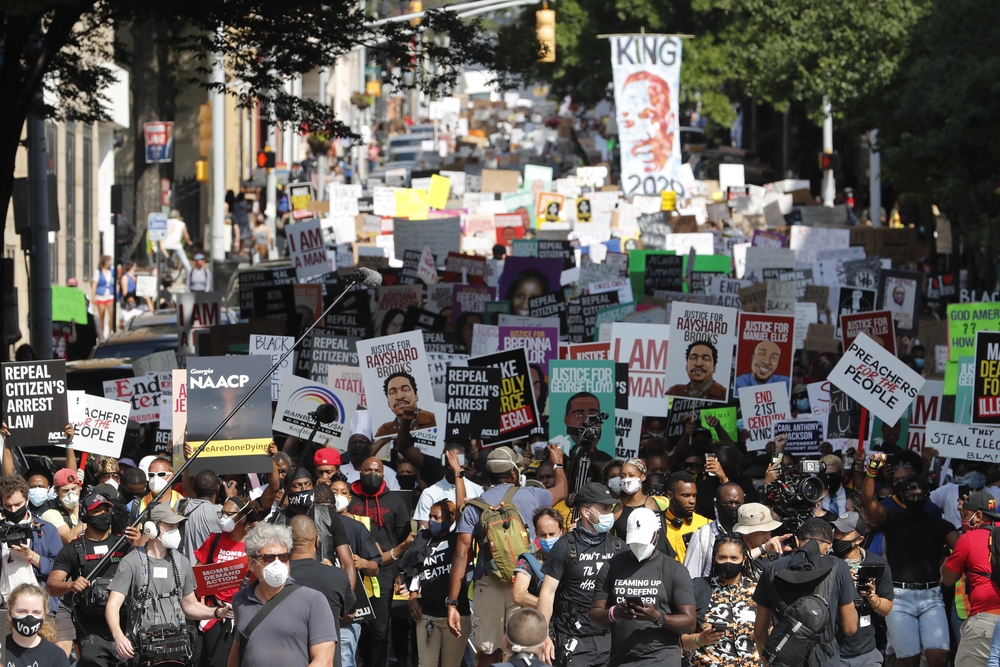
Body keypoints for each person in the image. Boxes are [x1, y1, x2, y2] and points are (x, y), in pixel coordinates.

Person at [448, 445, 568, 665]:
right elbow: (561, 489)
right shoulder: (533, 494)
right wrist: (557, 463)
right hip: (525, 581)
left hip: (488, 583)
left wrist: (453, 602)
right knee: (525, 648)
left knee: (487, 651)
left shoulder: (475, 506)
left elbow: (461, 555)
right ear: (514, 473)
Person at [860, 453, 957, 667]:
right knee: (909, 660)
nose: (915, 496)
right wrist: (872, 471)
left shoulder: (939, 524)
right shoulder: (891, 518)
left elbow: (961, 550)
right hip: (898, 598)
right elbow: (866, 500)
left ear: (927, 495)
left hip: (932, 598)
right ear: (901, 495)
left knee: (939, 658)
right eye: (910, 492)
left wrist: (949, 571)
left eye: (920, 492)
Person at [106, 503, 232, 665]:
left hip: (176, 652)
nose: (175, 530)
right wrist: (119, 636)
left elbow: (190, 606)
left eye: (176, 525)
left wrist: (217, 612)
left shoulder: (182, 562)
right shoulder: (131, 562)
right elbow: (113, 605)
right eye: (169, 525)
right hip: (144, 653)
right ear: (152, 528)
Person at [588, 507, 697, 667]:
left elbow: (689, 623)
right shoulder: (612, 566)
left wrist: (657, 617)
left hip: (662, 660)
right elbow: (594, 617)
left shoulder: (674, 569)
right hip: (621, 660)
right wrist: (615, 613)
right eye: (635, 541)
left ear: (657, 534)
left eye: (643, 540)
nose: (639, 546)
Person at [228, 524, 337, 667]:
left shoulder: (313, 600)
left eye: (283, 556)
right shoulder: (240, 600)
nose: (277, 563)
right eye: (268, 558)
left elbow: (324, 661)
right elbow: (239, 646)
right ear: (251, 563)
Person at [753, 518, 858, 667]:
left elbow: (759, 631)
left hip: (784, 657)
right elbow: (850, 627)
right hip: (825, 659)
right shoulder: (839, 567)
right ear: (829, 546)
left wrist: (767, 661)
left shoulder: (771, 569)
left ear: (797, 541)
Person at [536, 483, 621, 667]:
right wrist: (543, 636)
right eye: (604, 508)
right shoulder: (565, 546)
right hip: (574, 640)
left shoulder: (618, 546)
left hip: (610, 639)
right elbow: (547, 593)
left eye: (610, 508)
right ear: (585, 512)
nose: (609, 513)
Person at [347, 457, 415, 667]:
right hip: (353, 568)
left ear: (384, 474)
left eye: (377, 470)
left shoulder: (394, 501)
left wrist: (398, 572)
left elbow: (402, 538)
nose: (373, 474)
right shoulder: (350, 498)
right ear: (360, 471)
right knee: (358, 626)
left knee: (380, 629)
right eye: (368, 470)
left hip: (384, 571)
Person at [46, 492, 128, 665]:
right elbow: (51, 586)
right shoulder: (72, 550)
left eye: (106, 509)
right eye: (97, 510)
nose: (104, 514)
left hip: (124, 627)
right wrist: (71, 585)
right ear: (84, 515)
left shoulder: (126, 545)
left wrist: (139, 545)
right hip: (90, 631)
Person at [401, 500, 471, 667]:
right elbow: (413, 569)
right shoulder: (423, 538)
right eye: (430, 516)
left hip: (456, 615)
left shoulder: (457, 540)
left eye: (437, 517)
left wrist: (458, 476)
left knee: (451, 664)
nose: (431, 520)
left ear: (450, 519)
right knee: (426, 664)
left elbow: (461, 513)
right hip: (427, 614)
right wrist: (413, 598)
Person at [194, 496, 258, 667]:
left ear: (243, 517)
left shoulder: (256, 544)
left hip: (246, 614)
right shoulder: (214, 539)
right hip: (216, 613)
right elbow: (198, 573)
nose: (223, 518)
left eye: (228, 514)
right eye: (221, 513)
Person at [680, 533, 760, 667]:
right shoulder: (699, 589)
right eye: (722, 557)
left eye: (734, 558)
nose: (728, 562)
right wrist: (700, 639)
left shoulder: (757, 591)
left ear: (744, 560)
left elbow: (768, 633)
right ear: (714, 558)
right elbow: (680, 640)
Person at [941, 490, 1000, 667]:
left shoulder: (968, 539)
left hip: (984, 624)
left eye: (966, 515)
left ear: (979, 515)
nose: (964, 520)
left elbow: (948, 578)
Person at [289, 515, 355, 667]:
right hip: (328, 660)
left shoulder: (276, 578)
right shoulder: (337, 576)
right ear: (317, 541)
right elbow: (348, 611)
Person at [830, 511, 894, 667]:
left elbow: (886, 610)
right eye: (836, 531)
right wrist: (840, 580)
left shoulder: (877, 564)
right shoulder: (827, 563)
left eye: (843, 533)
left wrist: (873, 597)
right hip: (833, 652)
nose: (837, 536)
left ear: (859, 539)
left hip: (867, 652)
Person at [330, 479, 382, 667]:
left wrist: (362, 562)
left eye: (342, 492)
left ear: (350, 498)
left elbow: (376, 567)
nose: (337, 496)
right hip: (322, 605)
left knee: (345, 658)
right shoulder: (314, 524)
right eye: (333, 491)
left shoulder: (357, 527)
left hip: (350, 610)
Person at [0, 474, 64, 610]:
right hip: (5, 605)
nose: (13, 510)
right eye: (8, 506)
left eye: (18, 504)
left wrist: (31, 555)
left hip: (39, 605)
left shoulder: (47, 530)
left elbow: (60, 568)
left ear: (27, 500)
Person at [612, 459, 676, 558]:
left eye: (631, 475)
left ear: (643, 476)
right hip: (626, 563)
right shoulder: (615, 507)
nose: (626, 480)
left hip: (657, 561)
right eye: (623, 476)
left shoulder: (661, 502)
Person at [414, 445, 483, 530]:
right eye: (448, 459)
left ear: (465, 462)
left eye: (457, 460)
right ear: (442, 462)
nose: (452, 464)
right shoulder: (429, 494)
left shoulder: (479, 491)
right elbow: (423, 533)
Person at [684, 482, 745, 578]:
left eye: (738, 503)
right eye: (728, 503)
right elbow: (691, 576)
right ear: (716, 504)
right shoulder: (703, 535)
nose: (733, 507)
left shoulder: (750, 534)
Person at [5, 583, 71, 667]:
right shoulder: (1, 650)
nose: (29, 617)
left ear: (43, 616)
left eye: (36, 612)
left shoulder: (56, 656)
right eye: (22, 611)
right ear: (9, 615)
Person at [513, 507, 564, 610]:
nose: (547, 538)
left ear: (561, 532)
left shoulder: (571, 557)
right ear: (536, 533)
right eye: (543, 534)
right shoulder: (528, 560)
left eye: (552, 534)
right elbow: (518, 595)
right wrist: (549, 604)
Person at [373, 372, 437, 442]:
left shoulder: (434, 420)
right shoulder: (384, 430)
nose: (399, 396)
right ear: (388, 402)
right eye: (392, 392)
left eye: (405, 390)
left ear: (416, 396)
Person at [663, 471, 711, 563]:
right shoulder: (656, 523)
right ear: (670, 495)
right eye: (686, 495)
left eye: (694, 495)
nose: (692, 501)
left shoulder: (707, 524)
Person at [182, 469, 223, 564]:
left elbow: (186, 490)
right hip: (207, 573)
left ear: (193, 487)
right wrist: (232, 499)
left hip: (183, 572)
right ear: (218, 488)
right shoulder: (221, 512)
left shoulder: (181, 505)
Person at [40, 468, 85, 545]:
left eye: (74, 489)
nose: (71, 494)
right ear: (56, 491)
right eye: (66, 491)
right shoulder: (50, 514)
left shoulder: (86, 507)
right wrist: (91, 519)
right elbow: (69, 538)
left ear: (79, 487)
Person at [161, 209, 193, 276]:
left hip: (165, 244)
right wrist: (189, 242)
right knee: (184, 260)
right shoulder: (181, 224)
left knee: (165, 261)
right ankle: (190, 273)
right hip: (176, 244)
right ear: (178, 216)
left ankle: (161, 273)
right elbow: (186, 235)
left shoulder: (165, 222)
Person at [92, 255, 115, 337]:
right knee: (101, 315)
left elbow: (115, 282)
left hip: (110, 295)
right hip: (101, 296)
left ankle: (110, 332)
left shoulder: (112, 271)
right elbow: (94, 285)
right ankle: (101, 334)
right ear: (105, 262)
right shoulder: (98, 272)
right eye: (109, 260)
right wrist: (93, 296)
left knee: (112, 314)